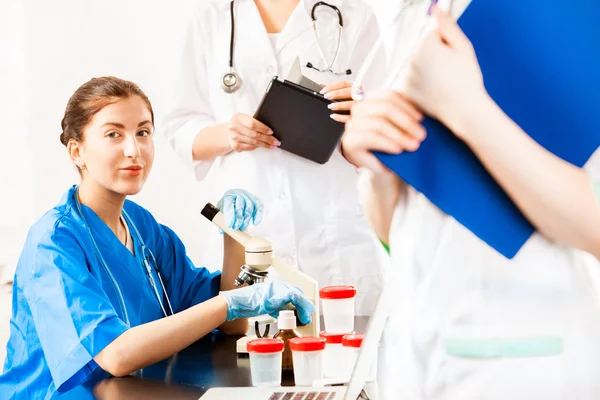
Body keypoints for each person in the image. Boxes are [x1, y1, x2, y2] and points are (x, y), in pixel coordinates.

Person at [0, 77, 314, 400]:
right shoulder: (53, 243)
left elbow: (231, 324)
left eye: (143, 132)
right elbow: (115, 355)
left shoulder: (142, 227)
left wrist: (232, 233)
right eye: (113, 134)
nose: (133, 150)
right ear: (76, 151)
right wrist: (230, 304)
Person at [342, 7, 600, 399]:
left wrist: (468, 109)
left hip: (525, 367)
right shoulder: (409, 16)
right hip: (413, 358)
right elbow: (403, 231)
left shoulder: (575, 19)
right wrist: (378, 172)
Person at [163, 0, 389, 315]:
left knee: (344, 352)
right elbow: (180, 128)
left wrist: (360, 117)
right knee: (246, 355)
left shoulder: (354, 15)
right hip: (249, 233)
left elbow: (382, 134)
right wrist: (229, 133)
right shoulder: (210, 17)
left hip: (335, 236)